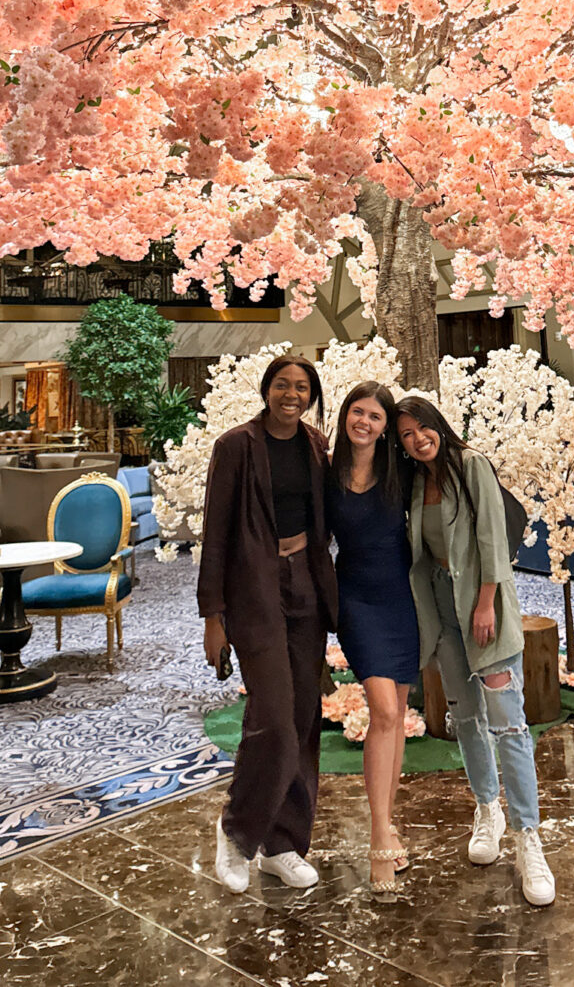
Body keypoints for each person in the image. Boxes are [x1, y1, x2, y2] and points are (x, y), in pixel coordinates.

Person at [395, 394, 556, 908]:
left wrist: (486, 604)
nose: (418, 439)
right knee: (465, 717)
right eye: (405, 436)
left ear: (437, 424)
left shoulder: (472, 466)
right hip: (439, 608)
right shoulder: (416, 483)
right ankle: (488, 808)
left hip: (482, 604)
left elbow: (492, 540)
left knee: (507, 720)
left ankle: (529, 837)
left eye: (422, 428)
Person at [197, 355, 338, 895]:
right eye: (283, 384)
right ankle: (236, 833)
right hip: (253, 592)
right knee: (273, 717)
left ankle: (283, 843)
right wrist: (214, 617)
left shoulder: (316, 445)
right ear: (266, 389)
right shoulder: (236, 446)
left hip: (305, 583)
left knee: (303, 718)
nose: (292, 394)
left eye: (302, 387)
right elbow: (216, 537)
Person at [325, 381, 419, 899]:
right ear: (346, 417)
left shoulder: (397, 471)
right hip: (356, 599)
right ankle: (380, 835)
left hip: (402, 598)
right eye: (358, 413)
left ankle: (388, 821)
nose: (365, 422)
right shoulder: (328, 471)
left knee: (395, 716)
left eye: (375, 417)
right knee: (383, 709)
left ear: (386, 428)